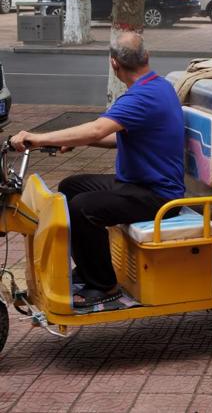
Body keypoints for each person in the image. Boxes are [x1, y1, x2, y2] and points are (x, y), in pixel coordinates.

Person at [11, 33, 185, 308]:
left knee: (82, 208)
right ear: (147, 57)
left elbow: (96, 129)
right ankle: (89, 268)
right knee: (71, 187)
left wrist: (38, 138)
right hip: (137, 184)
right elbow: (114, 136)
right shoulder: (158, 86)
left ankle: (104, 285)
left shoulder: (142, 97)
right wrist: (80, 141)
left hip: (159, 196)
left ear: (114, 64)